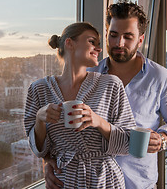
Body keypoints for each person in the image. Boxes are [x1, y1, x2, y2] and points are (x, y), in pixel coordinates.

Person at [44, 0, 167, 189]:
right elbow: (61, 128)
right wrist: (50, 162)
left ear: (140, 39)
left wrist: (163, 138)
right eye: (113, 35)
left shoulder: (160, 77)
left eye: (128, 36)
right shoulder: (87, 72)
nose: (119, 43)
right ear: (106, 34)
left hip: (138, 184)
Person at [24, 22, 136, 188]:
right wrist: (40, 119)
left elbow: (130, 143)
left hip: (104, 180)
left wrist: (97, 121)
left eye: (99, 44)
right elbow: (38, 148)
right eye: (92, 42)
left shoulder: (111, 84)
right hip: (63, 180)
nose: (98, 49)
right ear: (69, 43)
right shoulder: (39, 89)